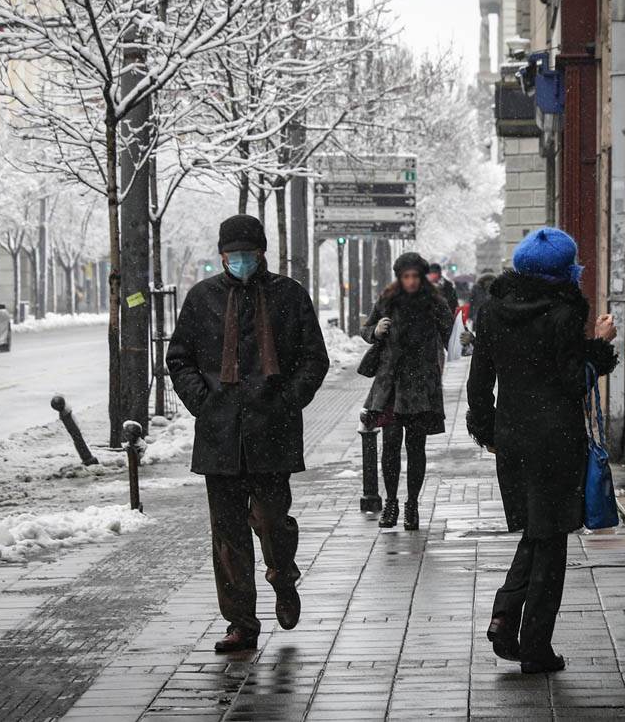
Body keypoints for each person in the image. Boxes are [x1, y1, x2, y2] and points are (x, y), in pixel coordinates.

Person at [167, 214, 329, 653]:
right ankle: (241, 622)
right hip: (219, 436)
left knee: (273, 523)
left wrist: (287, 399)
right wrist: (202, 401)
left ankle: (283, 575)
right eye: (232, 254)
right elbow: (179, 357)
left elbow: (315, 359)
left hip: (271, 432)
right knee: (228, 534)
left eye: (247, 253)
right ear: (222, 255)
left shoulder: (288, 296)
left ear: (261, 253)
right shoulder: (202, 299)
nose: (239, 261)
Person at [465, 227, 618, 675]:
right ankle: (533, 645)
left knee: (539, 530)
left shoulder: (493, 310)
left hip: (513, 436)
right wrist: (601, 344)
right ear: (564, 271)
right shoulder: (563, 310)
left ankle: (505, 616)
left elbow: (479, 380)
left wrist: (488, 428)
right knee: (552, 541)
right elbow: (575, 380)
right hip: (554, 438)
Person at [361, 252, 453, 530]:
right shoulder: (388, 300)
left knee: (416, 447)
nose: (411, 281)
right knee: (389, 446)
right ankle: (391, 503)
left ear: (422, 277)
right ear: (399, 277)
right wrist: (375, 331)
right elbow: (366, 329)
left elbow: (451, 333)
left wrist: (465, 340)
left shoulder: (434, 302)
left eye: (415, 276)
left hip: (421, 387)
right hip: (390, 385)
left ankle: (412, 504)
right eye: (406, 276)